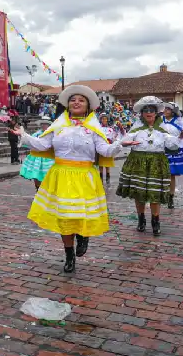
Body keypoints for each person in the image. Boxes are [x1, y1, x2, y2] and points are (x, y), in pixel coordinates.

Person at [11, 85, 122, 274]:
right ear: (68, 105)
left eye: (81, 100)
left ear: (87, 105)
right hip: (60, 175)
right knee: (64, 217)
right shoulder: (58, 125)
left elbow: (105, 150)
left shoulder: (94, 128)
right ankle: (69, 255)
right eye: (73, 100)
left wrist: (120, 144)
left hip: (85, 176)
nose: (76, 102)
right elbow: (42, 144)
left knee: (79, 214)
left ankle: (83, 236)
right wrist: (23, 135)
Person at [116, 97, 183, 236]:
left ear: (156, 113)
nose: (149, 113)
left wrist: (180, 137)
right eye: (146, 110)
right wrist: (123, 135)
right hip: (138, 162)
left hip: (157, 162)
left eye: (152, 110)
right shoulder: (136, 127)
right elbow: (125, 141)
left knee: (155, 193)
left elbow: (171, 144)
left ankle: (156, 221)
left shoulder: (163, 128)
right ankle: (141, 219)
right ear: (142, 113)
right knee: (139, 193)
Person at [162, 102, 183, 208]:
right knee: (161, 174)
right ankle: (162, 194)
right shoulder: (159, 121)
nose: (165, 111)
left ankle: (170, 197)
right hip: (161, 149)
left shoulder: (178, 121)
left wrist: (181, 136)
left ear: (173, 112)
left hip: (174, 150)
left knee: (171, 174)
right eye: (165, 108)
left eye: (168, 109)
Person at [19, 117, 54, 190]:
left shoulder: (52, 134)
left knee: (47, 177)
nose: (43, 125)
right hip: (36, 159)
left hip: (48, 160)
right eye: (42, 124)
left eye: (45, 124)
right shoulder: (36, 134)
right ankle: (38, 190)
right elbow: (30, 143)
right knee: (36, 176)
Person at [97, 114, 122, 184]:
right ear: (101, 120)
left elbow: (114, 137)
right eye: (103, 119)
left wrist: (113, 140)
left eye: (105, 119)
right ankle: (101, 178)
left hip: (108, 147)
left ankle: (108, 178)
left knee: (107, 165)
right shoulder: (98, 128)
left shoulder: (110, 129)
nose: (104, 120)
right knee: (101, 165)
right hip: (101, 147)